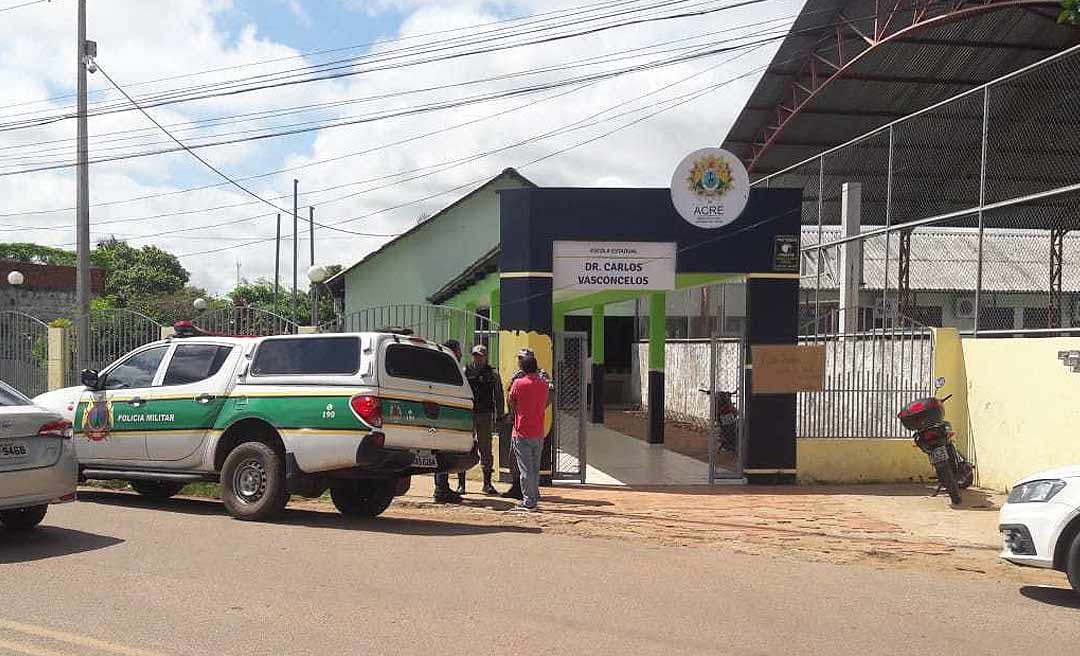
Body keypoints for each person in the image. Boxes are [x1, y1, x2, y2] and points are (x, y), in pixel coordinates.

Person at [501, 348, 552, 500]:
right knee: (515, 459)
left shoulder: (542, 375)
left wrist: (535, 408)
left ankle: (530, 496)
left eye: (522, 359)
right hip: (522, 423)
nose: (519, 361)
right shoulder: (518, 375)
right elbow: (509, 394)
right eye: (519, 358)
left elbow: (550, 395)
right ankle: (518, 488)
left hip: (526, 426)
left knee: (528, 465)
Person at [458, 344, 504, 495]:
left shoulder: (492, 374)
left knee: (486, 449)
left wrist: (499, 415)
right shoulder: (466, 371)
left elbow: (498, 395)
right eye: (475, 355)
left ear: (485, 356)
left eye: (480, 355)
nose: (477, 358)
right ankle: (461, 484)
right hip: (469, 414)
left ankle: (487, 483)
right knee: (465, 448)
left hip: (485, 414)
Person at [433, 339, 464, 504]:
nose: (460, 354)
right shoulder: (449, 366)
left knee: (441, 452)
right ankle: (441, 488)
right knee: (442, 452)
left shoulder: (437, 364)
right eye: (458, 350)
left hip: (439, 414)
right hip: (445, 416)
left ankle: (441, 487)